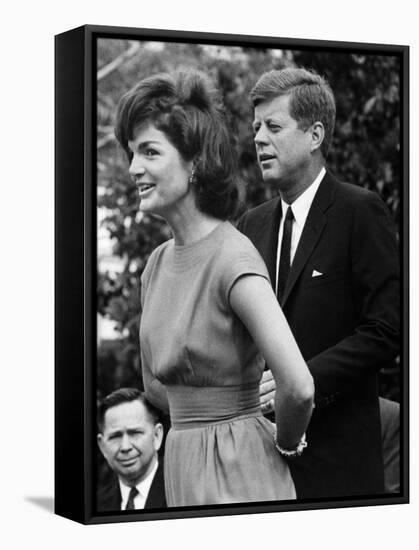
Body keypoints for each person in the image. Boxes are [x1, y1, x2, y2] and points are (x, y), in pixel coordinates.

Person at [114, 70, 314, 507]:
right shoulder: (156, 265)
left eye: (150, 151)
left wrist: (284, 444)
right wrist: (197, 418)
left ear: (196, 163)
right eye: (132, 153)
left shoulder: (233, 258)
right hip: (183, 462)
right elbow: (154, 386)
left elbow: (297, 386)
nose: (133, 168)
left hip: (240, 467)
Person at [238, 67, 400, 499]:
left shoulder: (359, 212)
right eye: (256, 127)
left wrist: (300, 383)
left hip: (339, 469)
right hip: (259, 470)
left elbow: (385, 331)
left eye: (273, 126)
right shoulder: (249, 226)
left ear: (315, 135)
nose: (258, 138)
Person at [97, 388, 166, 511]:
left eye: (135, 433)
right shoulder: (97, 505)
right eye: (115, 436)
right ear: (102, 446)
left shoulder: (183, 493)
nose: (125, 447)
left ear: (157, 436)